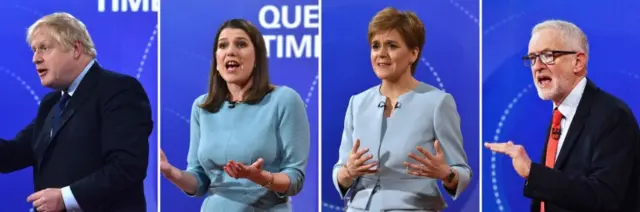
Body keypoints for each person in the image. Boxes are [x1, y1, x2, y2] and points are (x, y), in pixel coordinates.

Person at [0, 12, 153, 212]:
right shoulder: (52, 103)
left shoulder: (119, 90)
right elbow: (15, 153)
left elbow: (127, 166)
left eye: (44, 48)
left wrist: (65, 198)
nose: (35, 59)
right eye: (34, 50)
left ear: (76, 48)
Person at [485, 20, 640, 212]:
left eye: (547, 55)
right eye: (532, 58)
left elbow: (604, 198)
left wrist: (533, 173)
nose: (537, 66)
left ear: (578, 61)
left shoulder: (613, 116)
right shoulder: (560, 114)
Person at [159, 19, 310, 212]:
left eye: (241, 44)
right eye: (223, 45)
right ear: (216, 59)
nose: (230, 51)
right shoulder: (202, 106)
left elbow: (295, 178)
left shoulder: (284, 100)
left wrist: (261, 177)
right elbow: (199, 180)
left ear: (257, 57)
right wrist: (171, 172)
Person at [332, 7, 472, 212]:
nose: (381, 54)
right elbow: (341, 170)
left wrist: (446, 174)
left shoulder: (437, 103)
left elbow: (462, 172)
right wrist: (348, 172)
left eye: (391, 45)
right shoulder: (357, 103)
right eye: (375, 46)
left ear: (413, 53)